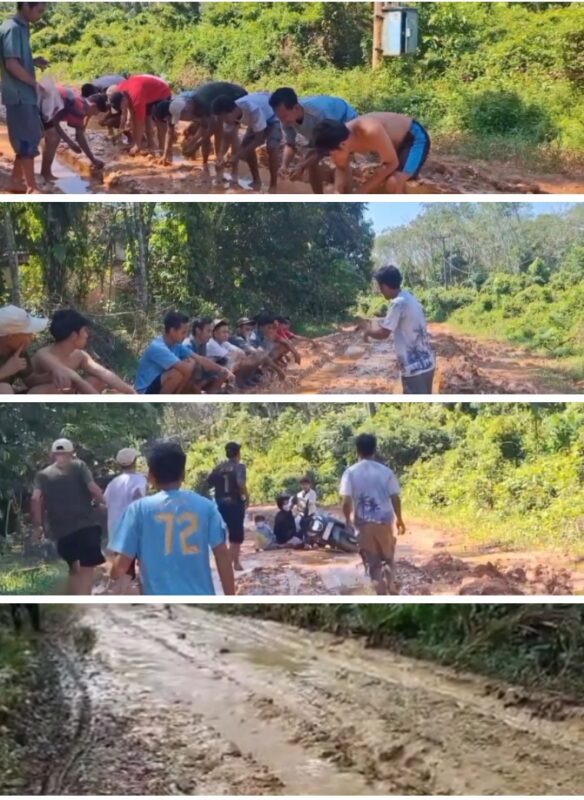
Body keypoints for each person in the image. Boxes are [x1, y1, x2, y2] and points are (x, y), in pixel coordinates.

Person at [110, 441, 234, 596]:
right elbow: (222, 554)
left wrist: (113, 577)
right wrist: (230, 596)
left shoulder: (138, 510)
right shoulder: (206, 507)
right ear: (183, 474)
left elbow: (121, 566)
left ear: (151, 476)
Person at [31, 438, 106, 595]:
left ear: (52, 454)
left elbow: (35, 498)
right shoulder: (79, 466)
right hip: (86, 526)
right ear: (72, 453)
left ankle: (73, 599)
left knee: (73, 567)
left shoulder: (43, 475)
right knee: (87, 569)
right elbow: (92, 488)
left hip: (61, 530)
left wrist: (38, 526)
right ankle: (83, 602)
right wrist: (103, 502)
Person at [340, 433, 406, 595]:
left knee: (373, 563)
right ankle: (391, 585)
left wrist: (348, 520)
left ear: (357, 451)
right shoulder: (386, 472)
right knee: (389, 558)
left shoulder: (350, 472)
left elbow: (346, 501)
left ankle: (381, 594)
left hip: (363, 524)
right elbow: (395, 497)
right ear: (374, 450)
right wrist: (400, 519)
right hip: (384, 522)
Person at [361, 265, 435, 394]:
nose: (380, 291)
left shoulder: (397, 303)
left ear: (384, 286)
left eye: (380, 287)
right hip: (428, 364)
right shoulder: (410, 298)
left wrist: (367, 331)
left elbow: (384, 333)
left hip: (413, 369)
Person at [313, 112, 430, 194]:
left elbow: (392, 163)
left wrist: (363, 190)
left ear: (343, 145)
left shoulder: (368, 130)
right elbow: (341, 167)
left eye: (331, 155)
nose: (332, 160)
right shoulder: (339, 138)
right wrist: (337, 192)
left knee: (393, 182)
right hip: (391, 145)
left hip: (413, 137)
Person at [269, 88, 358, 193]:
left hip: (344, 120)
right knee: (310, 161)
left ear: (296, 108)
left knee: (342, 160)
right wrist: (284, 165)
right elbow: (290, 144)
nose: (282, 122)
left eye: (284, 117)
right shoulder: (285, 120)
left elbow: (324, 149)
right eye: (280, 118)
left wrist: (301, 166)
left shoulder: (319, 114)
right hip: (320, 130)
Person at [0, 2, 47, 193]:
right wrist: (35, 84)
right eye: (39, 11)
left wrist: (33, 61)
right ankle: (31, 187)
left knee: (30, 136)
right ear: (26, 6)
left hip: (22, 94)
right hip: (19, 94)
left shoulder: (20, 27)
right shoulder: (12, 29)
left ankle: (15, 180)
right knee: (27, 140)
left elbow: (14, 59)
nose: (40, 15)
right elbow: (11, 64)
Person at [32, 309, 136, 394]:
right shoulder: (44, 355)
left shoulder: (79, 355)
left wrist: (133, 394)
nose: (87, 335)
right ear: (73, 335)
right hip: (42, 399)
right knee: (44, 390)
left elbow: (104, 373)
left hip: (67, 395)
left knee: (97, 380)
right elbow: (78, 380)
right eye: (85, 331)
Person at [135, 311, 233, 395]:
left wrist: (223, 370)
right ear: (172, 331)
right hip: (145, 391)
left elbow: (200, 359)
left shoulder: (177, 345)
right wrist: (191, 363)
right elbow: (186, 369)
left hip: (160, 385)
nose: (185, 335)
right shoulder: (158, 347)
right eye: (183, 332)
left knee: (191, 365)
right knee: (178, 372)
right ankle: (159, 404)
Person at [153, 81, 247, 166]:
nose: (183, 120)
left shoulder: (201, 104)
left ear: (186, 111)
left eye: (182, 117)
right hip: (216, 98)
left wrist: (195, 145)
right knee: (209, 128)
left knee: (230, 132)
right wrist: (165, 155)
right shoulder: (177, 107)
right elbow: (204, 127)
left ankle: (228, 165)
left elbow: (214, 128)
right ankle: (207, 162)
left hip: (236, 95)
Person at [212, 92, 281, 192]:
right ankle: (256, 180)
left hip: (274, 116)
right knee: (246, 146)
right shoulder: (230, 114)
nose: (225, 122)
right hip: (256, 121)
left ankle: (273, 185)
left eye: (225, 118)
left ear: (234, 111)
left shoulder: (252, 109)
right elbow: (226, 138)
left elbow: (259, 139)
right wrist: (220, 155)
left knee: (272, 146)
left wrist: (237, 156)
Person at [0, 304, 72, 393]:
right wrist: (5, 371)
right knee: (3, 388)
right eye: (28, 334)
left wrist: (51, 375)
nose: (32, 337)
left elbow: (29, 381)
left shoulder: (19, 351)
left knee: (51, 388)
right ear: (10, 337)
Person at [103, 447, 148, 590]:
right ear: (134, 461)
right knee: (142, 563)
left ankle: (126, 593)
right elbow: (141, 499)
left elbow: (104, 503)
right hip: (134, 528)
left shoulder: (113, 483)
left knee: (124, 568)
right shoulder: (140, 479)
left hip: (116, 532)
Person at [41, 86, 104, 181]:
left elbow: (55, 121)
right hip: (41, 104)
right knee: (53, 138)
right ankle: (45, 173)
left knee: (49, 136)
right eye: (96, 113)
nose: (95, 115)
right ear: (93, 106)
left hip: (43, 101)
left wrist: (71, 143)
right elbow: (80, 137)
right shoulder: (80, 108)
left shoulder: (80, 101)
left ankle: (44, 171)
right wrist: (93, 159)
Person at [207, 442, 249, 571]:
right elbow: (241, 483)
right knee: (236, 535)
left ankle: (226, 561)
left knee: (222, 533)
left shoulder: (218, 467)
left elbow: (208, 484)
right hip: (234, 502)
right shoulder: (239, 467)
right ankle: (233, 563)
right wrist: (246, 497)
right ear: (238, 453)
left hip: (220, 503)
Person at [109, 74, 172, 155]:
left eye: (123, 107)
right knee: (146, 117)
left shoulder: (136, 97)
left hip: (162, 92)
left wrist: (137, 145)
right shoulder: (120, 90)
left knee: (159, 122)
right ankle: (151, 144)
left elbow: (139, 122)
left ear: (124, 100)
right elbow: (133, 116)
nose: (123, 109)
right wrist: (134, 142)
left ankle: (162, 149)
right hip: (146, 92)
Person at [182, 317, 232, 392]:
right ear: (198, 330)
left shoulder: (203, 343)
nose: (210, 335)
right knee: (196, 366)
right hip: (186, 380)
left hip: (198, 376)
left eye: (211, 331)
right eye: (208, 331)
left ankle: (212, 393)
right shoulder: (187, 345)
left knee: (220, 369)